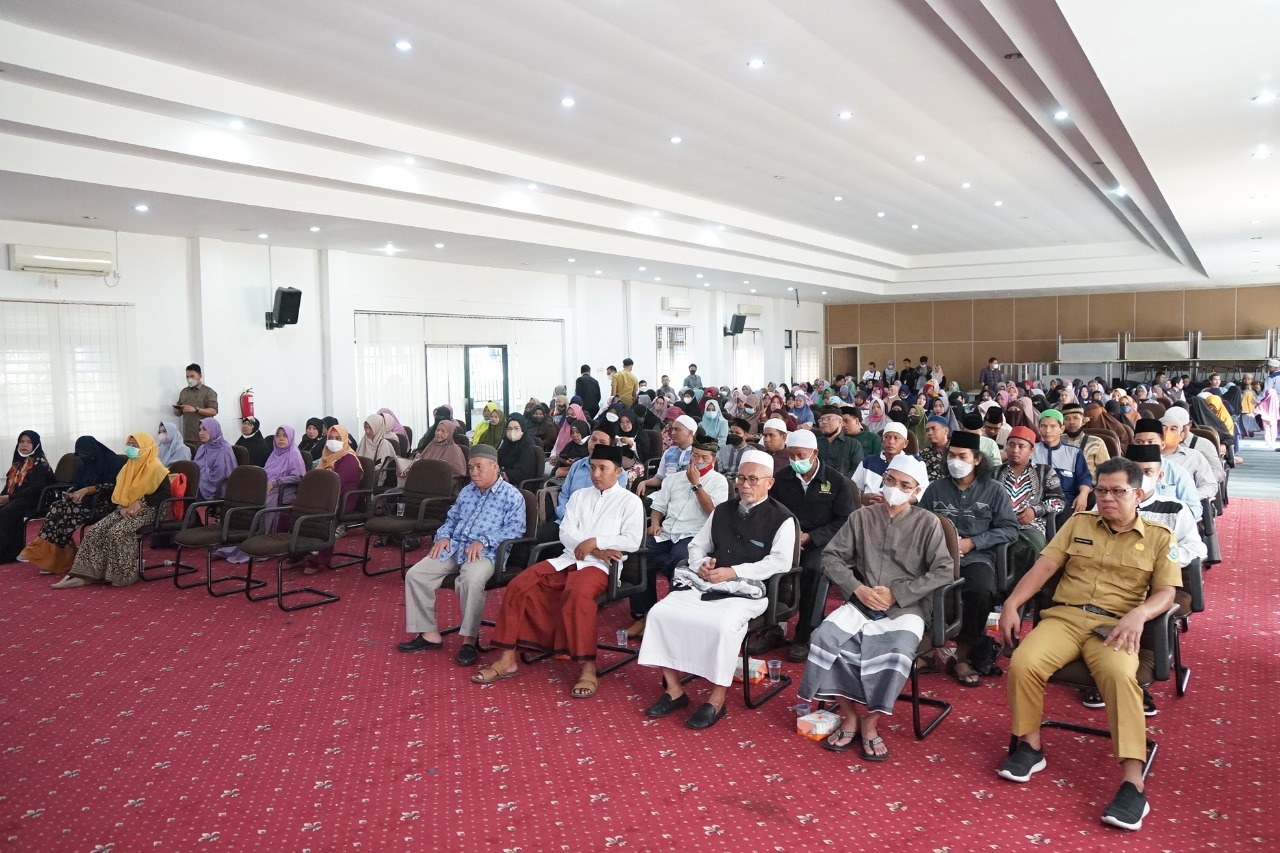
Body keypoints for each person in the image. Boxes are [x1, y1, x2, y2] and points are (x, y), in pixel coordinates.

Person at [998, 458, 1181, 832]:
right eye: (1101, 490)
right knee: (1024, 662)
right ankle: (1030, 746)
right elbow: (1044, 568)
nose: (1107, 498)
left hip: (1115, 625)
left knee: (1119, 676)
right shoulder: (1078, 523)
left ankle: (1133, 781)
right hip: (1065, 617)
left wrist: (1140, 614)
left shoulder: (1160, 537)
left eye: (1117, 491)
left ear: (1138, 494)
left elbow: (1167, 592)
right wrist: (1012, 604)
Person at [798, 454, 952, 760]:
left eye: (904, 485)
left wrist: (897, 594)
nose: (895, 488)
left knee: (896, 653)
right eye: (891, 480)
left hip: (906, 607)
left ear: (916, 491)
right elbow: (831, 557)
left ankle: (871, 721)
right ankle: (850, 715)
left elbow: (943, 570)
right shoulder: (861, 517)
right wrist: (858, 588)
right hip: (862, 600)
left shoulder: (928, 523)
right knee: (823, 639)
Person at [637, 449, 796, 729]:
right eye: (741, 478)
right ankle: (674, 690)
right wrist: (701, 564)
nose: (745, 485)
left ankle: (717, 700)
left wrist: (734, 572)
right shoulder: (722, 510)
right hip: (709, 581)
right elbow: (697, 545)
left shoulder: (783, 518)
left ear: (769, 483)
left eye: (753, 479)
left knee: (722, 626)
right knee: (659, 614)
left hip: (749, 590)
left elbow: (780, 562)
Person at [472, 444, 644, 699]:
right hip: (569, 558)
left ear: (618, 471)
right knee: (520, 585)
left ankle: (588, 668)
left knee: (578, 595)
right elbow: (566, 532)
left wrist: (594, 542)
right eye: (593, 467)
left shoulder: (630, 501)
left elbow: (631, 540)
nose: (596, 474)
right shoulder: (580, 496)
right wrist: (596, 548)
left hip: (601, 567)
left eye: (603, 468)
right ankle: (507, 660)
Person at [397, 444, 528, 666]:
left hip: (486, 553)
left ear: (494, 466)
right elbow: (451, 519)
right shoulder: (467, 491)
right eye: (470, 467)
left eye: (479, 467)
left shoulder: (512, 496)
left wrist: (484, 541)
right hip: (456, 546)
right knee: (416, 575)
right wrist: (443, 537)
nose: (473, 472)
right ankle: (429, 634)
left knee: (470, 580)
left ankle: (469, 640)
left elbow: (515, 529)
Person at [918, 430, 1019, 687]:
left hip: (976, 557)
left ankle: (961, 655)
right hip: (938, 556)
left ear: (977, 459)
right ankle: (924, 649)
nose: (955, 461)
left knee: (980, 590)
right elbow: (919, 523)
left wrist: (973, 542)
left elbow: (1010, 528)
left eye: (962, 456)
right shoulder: (935, 489)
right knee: (913, 583)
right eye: (951, 456)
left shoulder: (994, 491)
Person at [766, 429, 855, 661]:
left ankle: (804, 635)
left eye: (800, 455)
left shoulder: (836, 481)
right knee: (766, 563)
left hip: (822, 541)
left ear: (814, 453)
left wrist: (811, 537)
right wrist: (790, 537)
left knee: (814, 570)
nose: (795, 460)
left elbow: (845, 520)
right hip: (788, 538)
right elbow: (771, 511)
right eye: (791, 455)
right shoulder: (782, 478)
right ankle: (771, 627)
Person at [626, 438, 728, 639]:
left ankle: (669, 618)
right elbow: (658, 507)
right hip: (667, 532)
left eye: (704, 458)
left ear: (713, 460)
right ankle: (643, 615)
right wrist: (655, 523)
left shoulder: (719, 482)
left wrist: (696, 484)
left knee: (680, 560)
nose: (698, 461)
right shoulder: (673, 479)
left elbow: (714, 513)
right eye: (695, 455)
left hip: (694, 535)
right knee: (637, 553)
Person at [52, 433, 171, 588]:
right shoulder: (128, 467)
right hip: (125, 509)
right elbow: (120, 492)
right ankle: (83, 575)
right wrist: (122, 508)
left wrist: (140, 503)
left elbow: (165, 494)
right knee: (95, 531)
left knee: (118, 531)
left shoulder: (157, 469)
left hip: (150, 510)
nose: (131, 449)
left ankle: (124, 575)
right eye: (129, 445)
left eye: (135, 446)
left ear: (146, 447)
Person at [17, 435, 121, 574]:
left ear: (93, 450)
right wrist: (72, 494)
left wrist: (88, 490)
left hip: (104, 502)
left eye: (86, 455)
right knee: (57, 507)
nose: (83, 458)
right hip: (84, 501)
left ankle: (53, 558)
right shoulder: (83, 463)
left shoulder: (112, 461)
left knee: (65, 518)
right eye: (81, 455)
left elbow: (114, 485)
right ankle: (54, 558)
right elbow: (77, 484)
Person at [995, 426, 1066, 582]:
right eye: (1011, 445)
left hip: (1030, 526)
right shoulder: (994, 472)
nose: (1015, 450)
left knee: (1032, 547)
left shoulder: (1044, 471)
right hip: (997, 526)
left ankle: (1029, 591)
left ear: (1031, 450)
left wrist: (1035, 510)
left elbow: (1059, 501)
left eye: (1021, 446)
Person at [538, 428, 629, 542]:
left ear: (610, 446)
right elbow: (564, 495)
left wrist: (584, 523)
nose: (596, 445)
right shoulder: (577, 466)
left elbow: (612, 505)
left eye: (602, 442)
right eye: (593, 439)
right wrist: (566, 516)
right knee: (542, 536)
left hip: (595, 528)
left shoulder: (618, 473)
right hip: (567, 520)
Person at [304, 424, 363, 573]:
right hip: (324, 496)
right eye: (330, 438)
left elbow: (336, 482)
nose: (333, 441)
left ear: (345, 440)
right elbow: (316, 478)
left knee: (322, 515)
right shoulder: (326, 456)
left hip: (343, 498)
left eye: (338, 438)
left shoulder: (349, 458)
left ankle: (318, 557)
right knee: (298, 509)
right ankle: (300, 551)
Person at [1032, 410, 1092, 522]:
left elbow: (1084, 478)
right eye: (1043, 426)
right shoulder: (1031, 450)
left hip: (1066, 501)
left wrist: (1083, 495)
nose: (1048, 430)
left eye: (1053, 426)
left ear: (1062, 429)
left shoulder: (1074, 453)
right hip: (1036, 501)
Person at [851, 422, 912, 505]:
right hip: (868, 509)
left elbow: (920, 494)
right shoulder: (868, 462)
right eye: (887, 437)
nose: (891, 441)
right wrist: (862, 498)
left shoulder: (914, 463)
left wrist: (893, 502)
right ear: (882, 440)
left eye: (896, 438)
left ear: (905, 443)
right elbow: (854, 488)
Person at [636, 415, 696, 492]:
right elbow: (659, 478)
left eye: (677, 429)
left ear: (690, 433)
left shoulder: (698, 455)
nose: (673, 433)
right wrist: (644, 482)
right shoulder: (669, 452)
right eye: (672, 429)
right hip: (665, 493)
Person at [1059, 404, 1109, 481]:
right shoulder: (1056, 441)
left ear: (1083, 421)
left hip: (1091, 485)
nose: (1071, 422)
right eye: (1067, 419)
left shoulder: (1096, 442)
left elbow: (1106, 471)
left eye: (1075, 418)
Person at [172, 363, 218, 446]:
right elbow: (179, 413)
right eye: (187, 377)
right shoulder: (184, 392)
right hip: (187, 436)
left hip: (203, 436)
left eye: (192, 376)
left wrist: (196, 409)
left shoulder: (208, 392)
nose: (189, 379)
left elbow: (213, 411)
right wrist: (176, 410)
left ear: (200, 376)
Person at [415, 418, 468, 489]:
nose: (439, 433)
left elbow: (459, 471)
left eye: (443, 431)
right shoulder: (431, 445)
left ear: (450, 433)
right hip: (424, 481)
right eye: (437, 430)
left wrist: (438, 470)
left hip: (443, 485)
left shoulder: (454, 450)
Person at [193, 417, 237, 500]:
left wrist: (200, 482)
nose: (201, 433)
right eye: (200, 430)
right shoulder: (203, 448)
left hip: (216, 490)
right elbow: (195, 470)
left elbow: (219, 476)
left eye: (205, 429)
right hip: (199, 487)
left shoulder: (224, 449)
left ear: (213, 430)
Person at [815, 405, 863, 477]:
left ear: (840, 422)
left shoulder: (853, 444)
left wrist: (838, 480)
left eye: (829, 419)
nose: (824, 422)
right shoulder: (815, 443)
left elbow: (857, 471)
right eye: (821, 420)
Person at [495, 413, 540, 487]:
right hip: (503, 480)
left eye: (516, 428)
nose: (512, 432)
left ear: (522, 428)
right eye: (509, 429)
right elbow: (498, 459)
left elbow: (522, 472)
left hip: (519, 484)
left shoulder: (527, 446)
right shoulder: (506, 443)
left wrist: (505, 474)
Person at [716, 418, 751, 482]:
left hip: (741, 483)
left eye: (737, 433)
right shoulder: (723, 449)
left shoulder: (751, 452)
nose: (733, 435)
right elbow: (718, 470)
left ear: (745, 435)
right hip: (722, 481)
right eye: (731, 432)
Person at [919, 415, 950, 483]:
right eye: (927, 430)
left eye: (933, 429)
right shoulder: (923, 453)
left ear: (946, 431)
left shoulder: (954, 452)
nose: (929, 433)